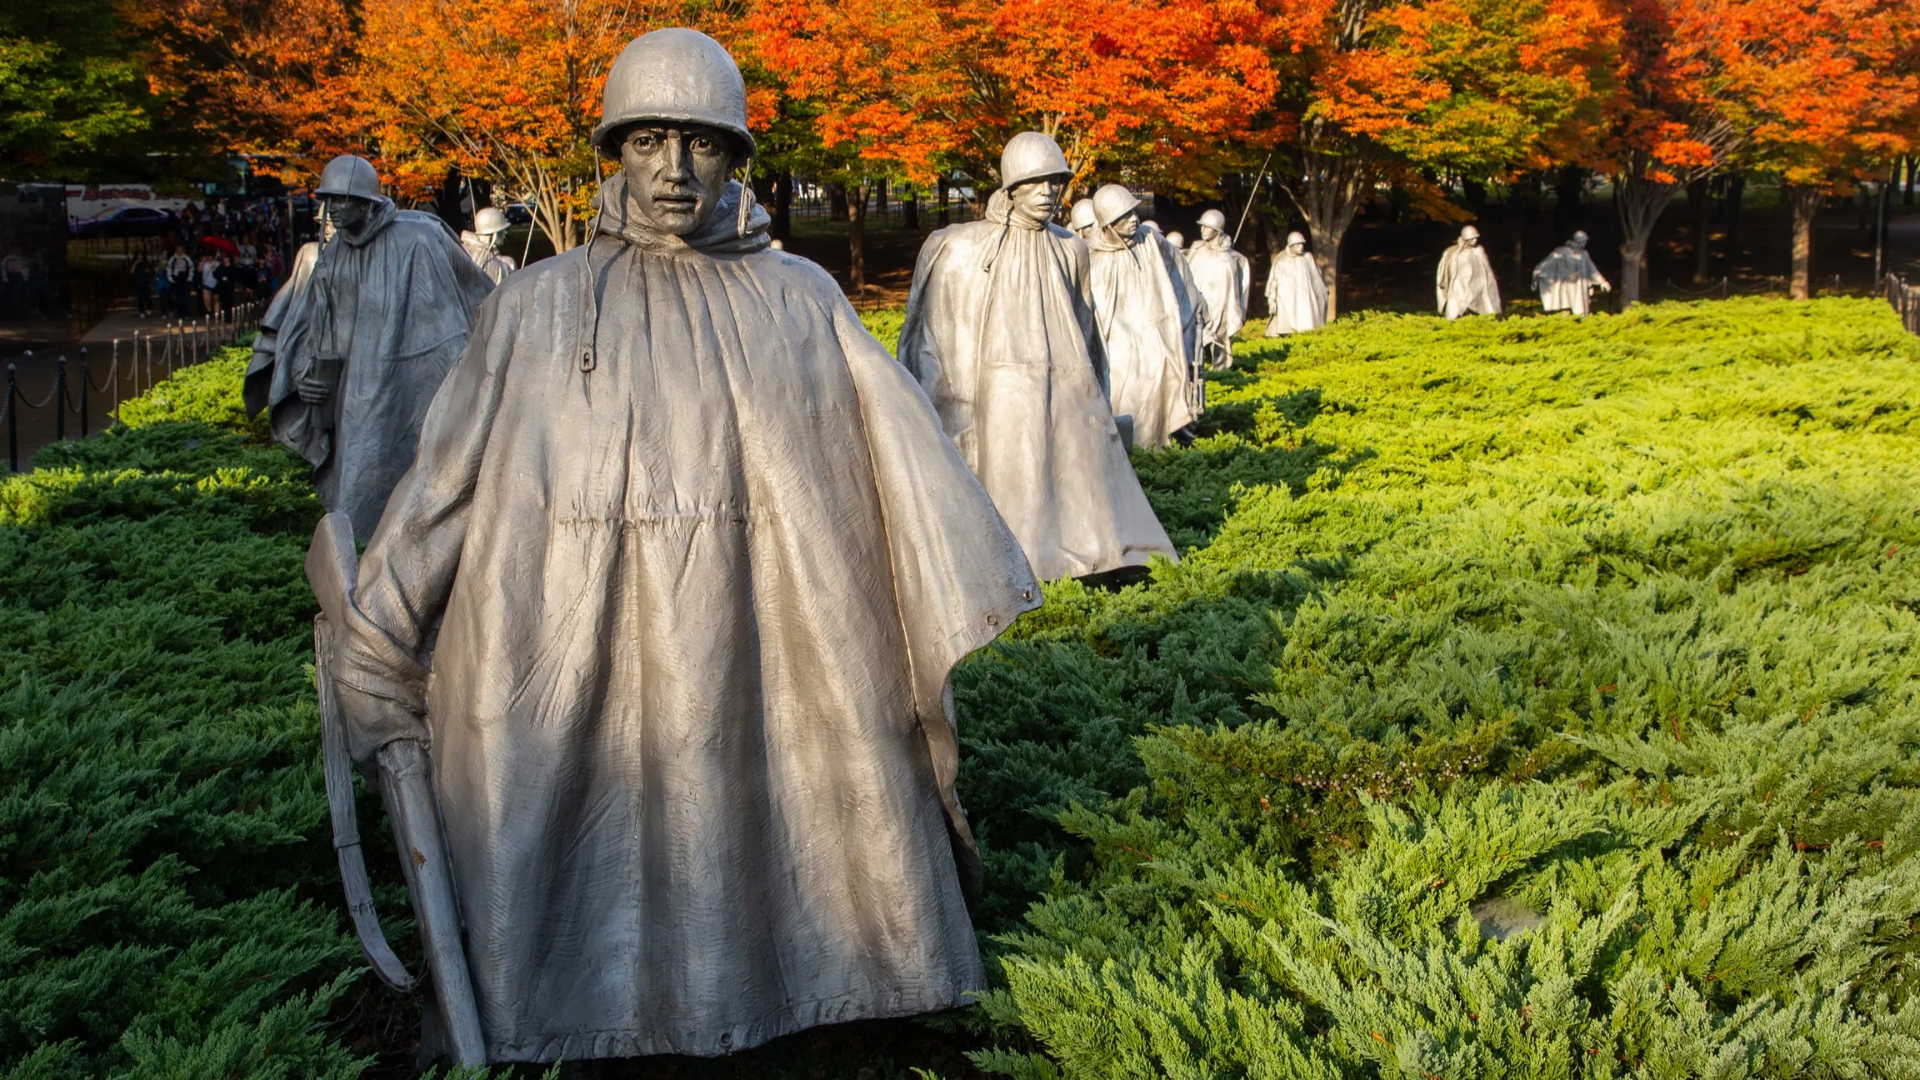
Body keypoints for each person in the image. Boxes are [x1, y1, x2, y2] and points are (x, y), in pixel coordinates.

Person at [321, 27, 1037, 1065]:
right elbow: (443, 487)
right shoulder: (537, 308)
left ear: (736, 158)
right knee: (586, 838)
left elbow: (900, 479)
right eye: (649, 140)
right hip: (575, 651)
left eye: (701, 144)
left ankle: (826, 985)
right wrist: (376, 632)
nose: (673, 169)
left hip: (771, 652)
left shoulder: (803, 301)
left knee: (776, 819)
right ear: (615, 148)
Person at [898, 131, 1176, 582]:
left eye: (1055, 183)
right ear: (1012, 188)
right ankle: (1013, 563)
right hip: (1002, 387)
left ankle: (1089, 557)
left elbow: (1089, 334)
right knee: (1015, 478)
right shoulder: (966, 247)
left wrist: (1095, 398)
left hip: (1068, 384)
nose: (1048, 193)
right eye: (1037, 183)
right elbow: (936, 334)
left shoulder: (1071, 249)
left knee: (1078, 479)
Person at [243, 154, 494, 538]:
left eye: (343, 200)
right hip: (356, 401)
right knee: (358, 497)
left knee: (432, 495)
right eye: (330, 201)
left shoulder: (419, 237)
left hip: (424, 389)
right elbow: (314, 332)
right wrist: (306, 376)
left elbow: (476, 299)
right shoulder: (332, 258)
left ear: (367, 202)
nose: (335, 210)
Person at [1086, 183, 1204, 447]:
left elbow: (1179, 269)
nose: (1133, 220)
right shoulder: (1091, 255)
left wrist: (1194, 302)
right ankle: (1126, 448)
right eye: (1123, 217)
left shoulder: (1150, 240)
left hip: (1153, 334)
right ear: (1107, 223)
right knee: (1120, 386)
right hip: (1115, 341)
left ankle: (1157, 445)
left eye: (1133, 212)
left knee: (1160, 372)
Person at [1186, 209, 1250, 368]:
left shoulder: (1230, 258)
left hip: (1220, 306)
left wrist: (1239, 309)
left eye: (1206, 227)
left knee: (1219, 340)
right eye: (1202, 226)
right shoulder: (1196, 252)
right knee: (1196, 339)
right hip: (1198, 304)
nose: (1202, 230)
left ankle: (1221, 371)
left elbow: (1240, 287)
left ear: (1217, 230)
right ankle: (1197, 368)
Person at [1264, 231, 1328, 337]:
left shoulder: (1307, 257)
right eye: (1297, 245)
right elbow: (1273, 281)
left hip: (1306, 298)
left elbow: (1316, 277)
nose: (1300, 247)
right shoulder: (1281, 259)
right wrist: (1272, 300)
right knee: (1289, 324)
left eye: (1302, 244)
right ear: (1291, 245)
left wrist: (1322, 292)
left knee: (1308, 320)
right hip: (1287, 299)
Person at [1533, 230, 1611, 315]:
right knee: (1565, 306)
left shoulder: (1584, 254)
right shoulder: (1562, 252)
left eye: (1585, 241)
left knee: (1581, 309)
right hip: (1565, 285)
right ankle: (1567, 324)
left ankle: (1582, 324)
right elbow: (1547, 262)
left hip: (1580, 284)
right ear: (1578, 241)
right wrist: (1538, 272)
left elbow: (1593, 270)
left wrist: (1603, 282)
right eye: (1583, 241)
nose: (1585, 244)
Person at [1436, 224, 1501, 320]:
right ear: (1466, 239)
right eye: (1472, 238)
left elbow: (1486, 271)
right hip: (1459, 287)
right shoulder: (1453, 252)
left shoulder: (1479, 250)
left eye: (1476, 238)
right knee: (1454, 310)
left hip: (1478, 287)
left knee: (1485, 308)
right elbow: (1448, 271)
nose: (1475, 240)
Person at [458, 206, 517, 285]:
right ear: (494, 234)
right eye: (502, 230)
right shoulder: (507, 264)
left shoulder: (461, 250)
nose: (505, 233)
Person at [166, 246, 194, 317]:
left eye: (180, 249)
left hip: (186, 280)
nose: (178, 251)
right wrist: (170, 278)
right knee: (179, 298)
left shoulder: (187, 259)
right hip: (177, 280)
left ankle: (187, 313)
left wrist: (190, 277)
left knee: (186, 297)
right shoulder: (173, 259)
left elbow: (191, 268)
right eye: (177, 250)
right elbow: (169, 268)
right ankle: (181, 313)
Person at [199, 251, 220, 316]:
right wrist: (202, 261)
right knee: (206, 299)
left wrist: (215, 269)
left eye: (210, 256)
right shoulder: (205, 264)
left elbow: (220, 273)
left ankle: (217, 313)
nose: (209, 257)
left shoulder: (218, 263)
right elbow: (199, 269)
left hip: (216, 283)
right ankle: (209, 311)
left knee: (216, 299)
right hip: (206, 283)